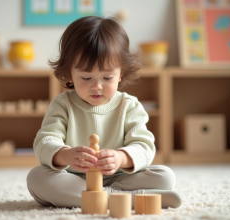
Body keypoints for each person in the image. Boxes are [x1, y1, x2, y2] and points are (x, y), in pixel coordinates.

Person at [27, 16, 182, 209]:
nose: (97, 86)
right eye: (86, 77)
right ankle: (125, 199)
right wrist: (66, 155)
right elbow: (44, 141)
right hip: (73, 180)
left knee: (166, 176)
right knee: (36, 177)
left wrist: (121, 158)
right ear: (69, 74)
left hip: (118, 178)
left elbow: (144, 145)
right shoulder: (62, 104)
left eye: (107, 77)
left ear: (121, 73)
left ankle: (101, 197)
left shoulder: (129, 105)